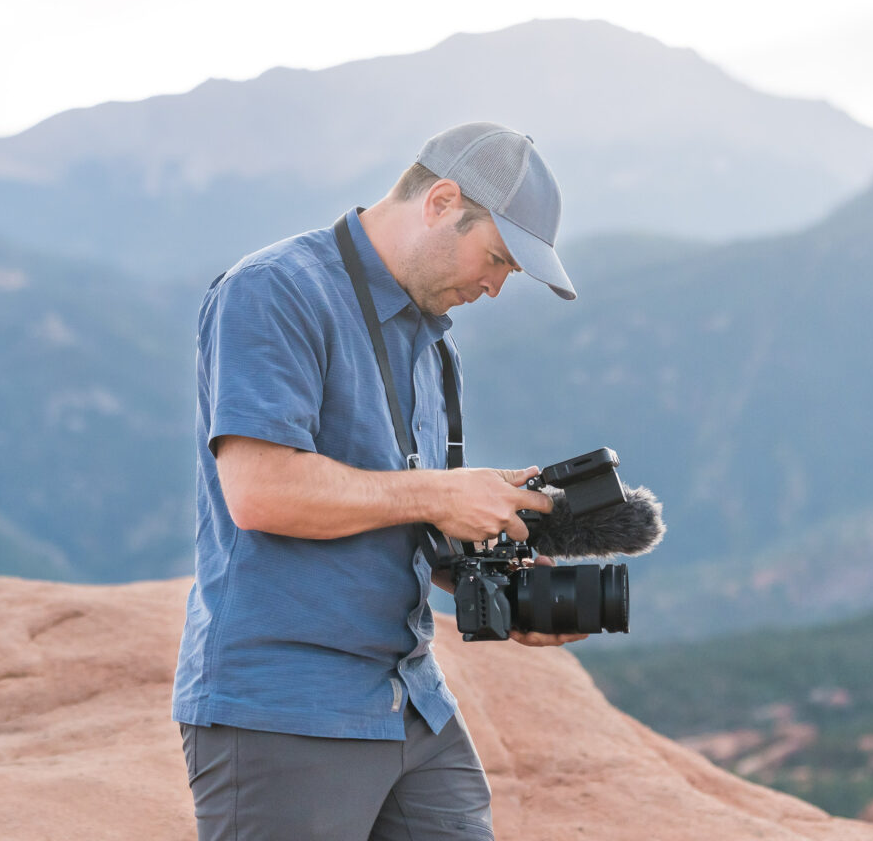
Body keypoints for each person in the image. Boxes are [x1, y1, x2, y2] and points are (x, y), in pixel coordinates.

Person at [173, 121, 583, 841]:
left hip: (410, 700)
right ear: (441, 201)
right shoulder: (273, 292)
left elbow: (403, 512)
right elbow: (261, 492)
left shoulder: (427, 337)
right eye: (496, 258)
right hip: (285, 708)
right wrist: (441, 494)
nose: (493, 287)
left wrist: (500, 585)